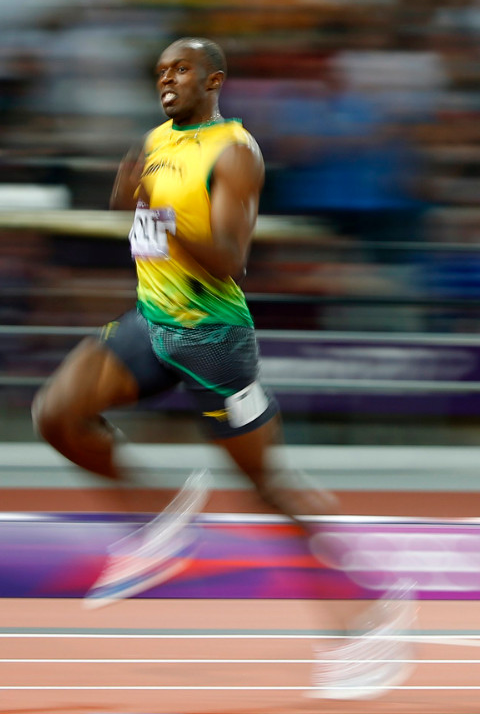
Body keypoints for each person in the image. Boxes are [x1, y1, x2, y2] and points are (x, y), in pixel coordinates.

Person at [31, 37, 414, 700]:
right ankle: (159, 518)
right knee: (58, 413)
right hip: (154, 323)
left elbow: (230, 255)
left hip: (213, 339)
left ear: (214, 80)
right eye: (160, 71)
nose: (167, 80)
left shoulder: (236, 150)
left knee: (269, 489)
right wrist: (130, 203)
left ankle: (370, 614)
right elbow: (143, 225)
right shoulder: (153, 144)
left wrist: (160, 215)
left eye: (181, 70)